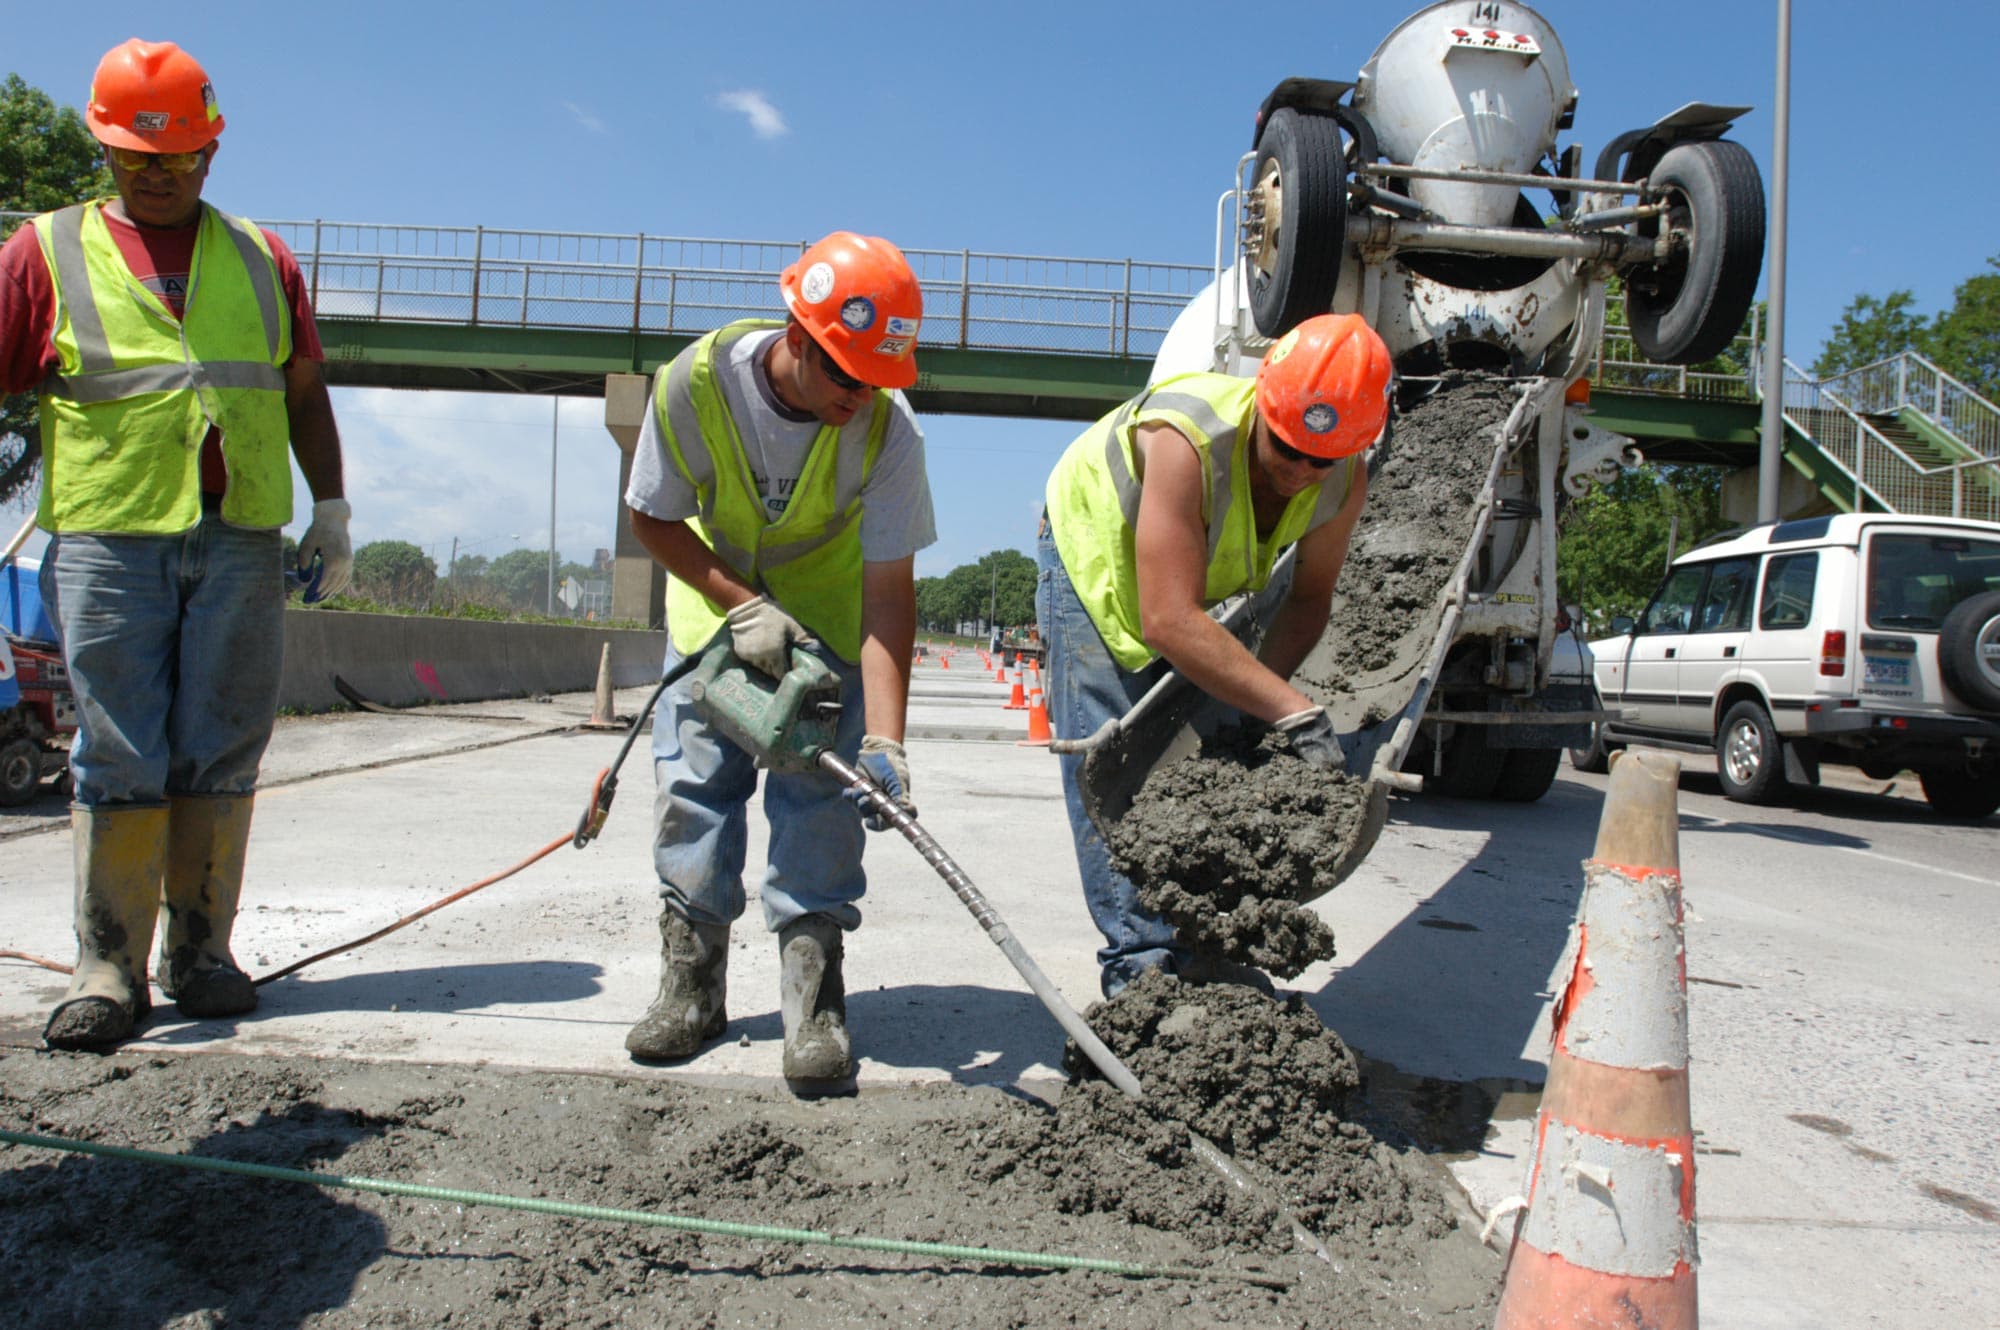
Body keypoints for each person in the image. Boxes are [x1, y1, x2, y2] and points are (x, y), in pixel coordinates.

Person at [0, 39, 351, 1050]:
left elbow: (300, 392)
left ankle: (200, 953)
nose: (155, 171)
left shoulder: (260, 256)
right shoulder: (46, 251)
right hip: (110, 537)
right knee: (120, 748)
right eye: (134, 154)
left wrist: (331, 507)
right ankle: (107, 965)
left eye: (175, 154)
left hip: (239, 533)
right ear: (103, 148)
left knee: (224, 742)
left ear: (210, 149)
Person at [622, 231, 935, 1088]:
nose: (860, 397)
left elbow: (889, 597)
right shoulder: (694, 383)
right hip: (715, 613)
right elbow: (651, 516)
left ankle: (815, 999)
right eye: (847, 375)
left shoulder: (889, 435)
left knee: (820, 803)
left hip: (829, 624)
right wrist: (740, 603)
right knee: (694, 793)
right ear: (799, 337)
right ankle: (690, 987)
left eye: (878, 381)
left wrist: (889, 741)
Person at [1037, 312, 1392, 997]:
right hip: (1090, 555)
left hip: (1180, 591)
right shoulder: (1186, 436)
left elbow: (1308, 601)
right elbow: (1168, 619)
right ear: (1264, 401)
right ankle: (1138, 970)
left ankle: (1204, 941)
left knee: (1206, 750)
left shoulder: (1343, 480)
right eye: (1288, 449)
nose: (1301, 472)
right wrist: (1294, 709)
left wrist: (1262, 713)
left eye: (1323, 460)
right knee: (1115, 760)